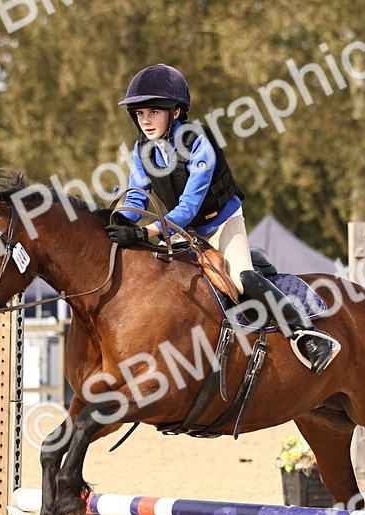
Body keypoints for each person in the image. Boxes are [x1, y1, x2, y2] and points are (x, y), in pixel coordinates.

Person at [105, 64, 340, 373]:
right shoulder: (142, 149)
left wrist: (145, 233)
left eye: (153, 112)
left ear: (175, 112)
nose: (145, 121)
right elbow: (137, 195)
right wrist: (118, 221)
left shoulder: (198, 142)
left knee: (242, 278)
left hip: (220, 224)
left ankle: (307, 336)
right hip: (182, 230)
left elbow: (189, 207)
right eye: (139, 114)